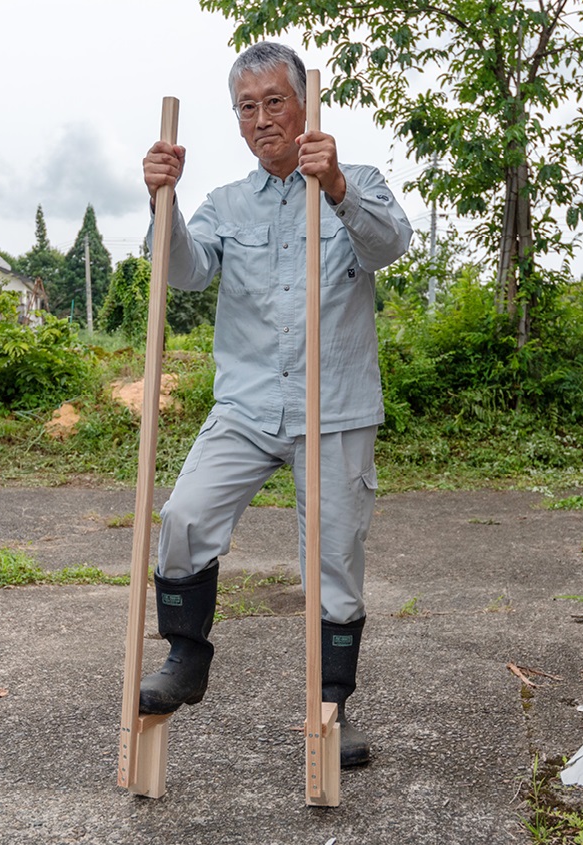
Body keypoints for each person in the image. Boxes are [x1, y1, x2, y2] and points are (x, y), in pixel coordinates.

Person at [139, 41, 413, 767]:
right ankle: (185, 656)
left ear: (304, 104)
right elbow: (186, 274)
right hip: (249, 406)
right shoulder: (225, 203)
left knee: (333, 563)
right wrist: (159, 202)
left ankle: (331, 706)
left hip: (338, 408)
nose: (262, 119)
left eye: (274, 102)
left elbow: (392, 246)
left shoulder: (358, 181)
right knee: (184, 515)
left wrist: (338, 192)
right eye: (247, 107)